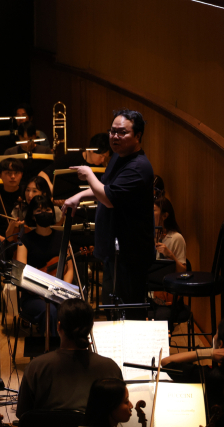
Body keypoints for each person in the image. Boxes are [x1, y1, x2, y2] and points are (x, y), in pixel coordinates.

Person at [63, 109, 154, 309]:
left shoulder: (138, 167)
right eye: (112, 131)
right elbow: (104, 187)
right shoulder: (118, 157)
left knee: (127, 312)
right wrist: (78, 196)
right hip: (114, 253)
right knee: (111, 308)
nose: (114, 136)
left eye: (122, 132)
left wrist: (88, 173)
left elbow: (108, 197)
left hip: (130, 257)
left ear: (138, 136)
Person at [16, 299, 123, 417]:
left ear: (59, 326)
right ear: (90, 327)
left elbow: (23, 415)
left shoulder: (35, 367)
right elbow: (119, 414)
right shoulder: (110, 368)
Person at [161, 317, 224, 418]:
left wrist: (209, 352)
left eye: (216, 333)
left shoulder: (211, 377)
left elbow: (166, 362)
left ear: (221, 344)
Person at [15, 196, 73, 336]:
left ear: (53, 212)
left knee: (74, 310)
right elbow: (21, 274)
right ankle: (51, 352)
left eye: (47, 209)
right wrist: (44, 293)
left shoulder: (62, 237)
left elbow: (70, 269)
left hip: (60, 292)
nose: (44, 213)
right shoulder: (25, 240)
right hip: (33, 296)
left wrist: (61, 291)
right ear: (33, 216)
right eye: (39, 210)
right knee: (51, 312)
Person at [39, 132, 110, 193]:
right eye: (101, 156)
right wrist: (54, 192)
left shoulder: (101, 170)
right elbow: (43, 174)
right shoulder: (70, 159)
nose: (103, 160)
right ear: (91, 149)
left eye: (105, 157)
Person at [154, 196, 186, 272]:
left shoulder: (176, 238)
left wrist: (170, 255)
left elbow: (182, 271)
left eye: (154, 210)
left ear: (164, 215)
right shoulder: (151, 236)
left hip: (167, 281)